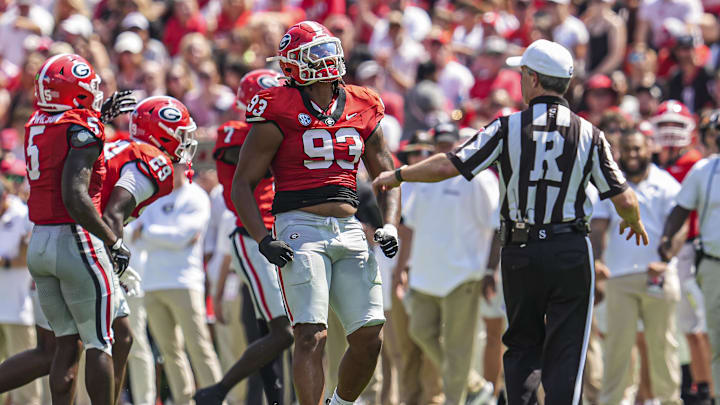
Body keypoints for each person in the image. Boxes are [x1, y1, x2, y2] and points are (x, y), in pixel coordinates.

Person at [373, 39, 648, 403]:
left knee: (521, 348)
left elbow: (450, 164)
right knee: (567, 351)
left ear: (533, 79)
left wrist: (401, 174)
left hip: (521, 248)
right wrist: (634, 220)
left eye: (522, 74)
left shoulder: (507, 128)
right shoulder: (589, 133)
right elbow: (625, 197)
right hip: (570, 249)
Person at [231, 21, 400, 405]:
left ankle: (339, 403)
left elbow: (386, 175)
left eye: (329, 51)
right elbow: (242, 183)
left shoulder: (363, 102)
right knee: (311, 333)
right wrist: (263, 238)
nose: (327, 60)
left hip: (349, 225)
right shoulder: (278, 105)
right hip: (299, 226)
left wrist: (389, 223)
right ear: (292, 65)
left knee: (370, 335)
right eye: (315, 54)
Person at [22, 53, 135, 405]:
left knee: (65, 343)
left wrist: (96, 119)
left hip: (39, 240)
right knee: (101, 341)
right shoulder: (83, 127)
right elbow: (75, 195)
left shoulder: (37, 122)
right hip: (74, 239)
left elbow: (62, 143)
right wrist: (112, 239)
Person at [195, 69, 293, 405]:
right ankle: (218, 391)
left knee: (276, 332)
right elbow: (260, 158)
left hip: (280, 235)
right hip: (254, 237)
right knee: (283, 331)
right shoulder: (234, 133)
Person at [402, 123, 501, 404]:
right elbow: (411, 225)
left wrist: (489, 270)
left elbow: (496, 226)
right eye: (440, 144)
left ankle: (461, 395)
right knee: (419, 331)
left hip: (464, 275)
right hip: (424, 275)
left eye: (450, 144)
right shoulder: (424, 177)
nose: (445, 149)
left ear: (460, 144)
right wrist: (406, 267)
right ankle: (475, 385)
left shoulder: (480, 178)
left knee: (459, 351)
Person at [591, 130, 683, 404]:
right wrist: (596, 259)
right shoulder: (610, 184)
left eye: (637, 149)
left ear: (649, 149)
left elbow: (679, 226)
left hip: (659, 275)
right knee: (618, 348)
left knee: (662, 345)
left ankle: (670, 400)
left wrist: (665, 260)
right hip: (619, 276)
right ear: (619, 152)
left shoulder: (667, 183)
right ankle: (613, 401)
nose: (632, 155)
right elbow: (598, 225)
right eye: (627, 149)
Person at [660, 110, 720, 403]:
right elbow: (680, 211)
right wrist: (668, 240)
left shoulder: (699, 165)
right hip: (707, 260)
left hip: (703, 255)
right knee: (708, 332)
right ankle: (711, 391)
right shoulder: (702, 169)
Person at [0, 182, 41, 405]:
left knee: (25, 381)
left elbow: (28, 258)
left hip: (18, 308)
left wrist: (4, 262)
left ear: (5, 197)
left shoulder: (23, 215)